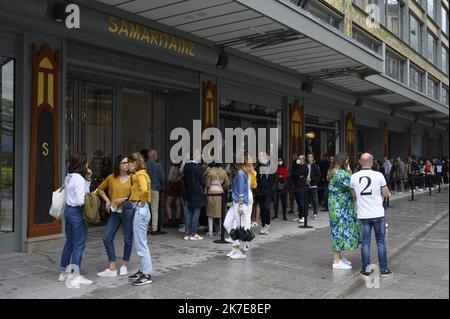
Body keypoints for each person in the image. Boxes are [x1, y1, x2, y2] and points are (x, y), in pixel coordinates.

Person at [350, 153, 393, 278]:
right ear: (372, 162)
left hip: (363, 214)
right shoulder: (378, 175)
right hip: (378, 213)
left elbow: (353, 195)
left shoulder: (354, 177)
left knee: (365, 243)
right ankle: (384, 270)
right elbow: (386, 193)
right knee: (381, 242)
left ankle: (366, 270)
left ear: (359, 162)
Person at [58, 152, 93, 285]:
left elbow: (81, 191)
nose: (88, 164)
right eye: (86, 162)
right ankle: (75, 275)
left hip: (68, 210)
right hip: (77, 212)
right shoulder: (78, 178)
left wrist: (88, 179)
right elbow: (80, 200)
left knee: (70, 242)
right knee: (79, 244)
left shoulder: (70, 176)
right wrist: (91, 199)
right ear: (82, 164)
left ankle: (64, 272)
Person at [97, 155, 133, 277]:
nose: (126, 165)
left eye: (128, 162)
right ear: (118, 165)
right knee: (107, 238)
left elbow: (135, 195)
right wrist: (107, 200)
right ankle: (112, 267)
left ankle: (124, 265)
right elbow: (100, 189)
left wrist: (123, 200)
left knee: (128, 239)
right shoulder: (111, 177)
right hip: (115, 213)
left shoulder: (133, 178)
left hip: (128, 212)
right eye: (124, 163)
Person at [328, 153, 360, 270]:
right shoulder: (340, 173)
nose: (348, 162)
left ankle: (339, 257)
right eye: (347, 161)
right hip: (340, 207)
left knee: (338, 230)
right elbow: (352, 183)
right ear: (343, 161)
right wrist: (349, 171)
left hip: (337, 205)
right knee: (338, 231)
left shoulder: (334, 171)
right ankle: (336, 260)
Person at [127, 153, 153, 286]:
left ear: (136, 163)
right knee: (141, 242)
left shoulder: (139, 175)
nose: (128, 166)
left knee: (141, 244)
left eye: (130, 163)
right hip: (142, 209)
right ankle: (143, 270)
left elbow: (143, 189)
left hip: (140, 209)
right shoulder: (142, 174)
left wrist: (140, 202)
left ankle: (146, 274)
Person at [223, 157, 252, 259]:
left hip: (240, 204)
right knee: (227, 223)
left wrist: (240, 205)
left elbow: (241, 192)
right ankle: (236, 246)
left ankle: (242, 252)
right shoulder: (238, 172)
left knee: (241, 228)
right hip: (236, 203)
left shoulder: (240, 173)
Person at [182, 150, 206, 241]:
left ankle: (187, 233)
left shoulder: (186, 166)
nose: (201, 156)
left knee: (188, 213)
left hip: (187, 192)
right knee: (196, 213)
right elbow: (202, 181)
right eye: (200, 155)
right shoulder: (197, 167)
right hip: (196, 193)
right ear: (196, 156)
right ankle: (193, 233)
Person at [205, 162, 230, 238]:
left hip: (211, 193)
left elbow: (207, 184)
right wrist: (222, 187)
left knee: (210, 213)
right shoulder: (224, 171)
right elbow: (228, 183)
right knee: (220, 212)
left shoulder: (210, 171)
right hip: (220, 192)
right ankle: (220, 231)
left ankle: (210, 232)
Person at [256, 152, 277, 235]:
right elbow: (256, 179)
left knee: (267, 207)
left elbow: (275, 180)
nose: (260, 158)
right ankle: (264, 225)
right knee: (262, 208)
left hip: (269, 191)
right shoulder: (257, 168)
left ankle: (267, 224)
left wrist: (273, 189)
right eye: (259, 156)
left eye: (261, 156)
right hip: (260, 191)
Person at [146, 149, 166, 234]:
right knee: (154, 210)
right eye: (156, 155)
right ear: (154, 156)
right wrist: (161, 186)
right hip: (155, 189)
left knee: (145, 210)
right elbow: (162, 178)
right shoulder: (158, 166)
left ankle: (145, 228)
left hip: (145, 190)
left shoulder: (144, 165)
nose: (157, 156)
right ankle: (154, 229)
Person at [164, 162, 183, 227]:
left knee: (167, 204)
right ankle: (177, 220)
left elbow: (169, 178)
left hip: (173, 185)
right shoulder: (181, 168)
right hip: (179, 185)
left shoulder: (172, 168)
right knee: (178, 204)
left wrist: (168, 183)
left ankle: (170, 219)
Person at [290, 155, 308, 224]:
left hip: (301, 186)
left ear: (303, 160)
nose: (298, 160)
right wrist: (297, 176)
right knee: (298, 201)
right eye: (298, 159)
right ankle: (300, 216)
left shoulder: (305, 167)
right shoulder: (297, 166)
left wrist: (297, 175)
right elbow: (293, 174)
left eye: (300, 159)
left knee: (301, 201)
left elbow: (299, 174)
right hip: (296, 186)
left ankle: (303, 216)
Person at [306, 154, 321, 220]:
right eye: (308, 157)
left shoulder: (315, 166)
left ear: (313, 158)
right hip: (306, 184)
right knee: (306, 199)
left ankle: (315, 213)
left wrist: (312, 179)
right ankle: (305, 213)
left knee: (314, 199)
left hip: (313, 184)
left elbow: (318, 176)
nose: (309, 158)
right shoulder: (306, 166)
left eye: (311, 157)